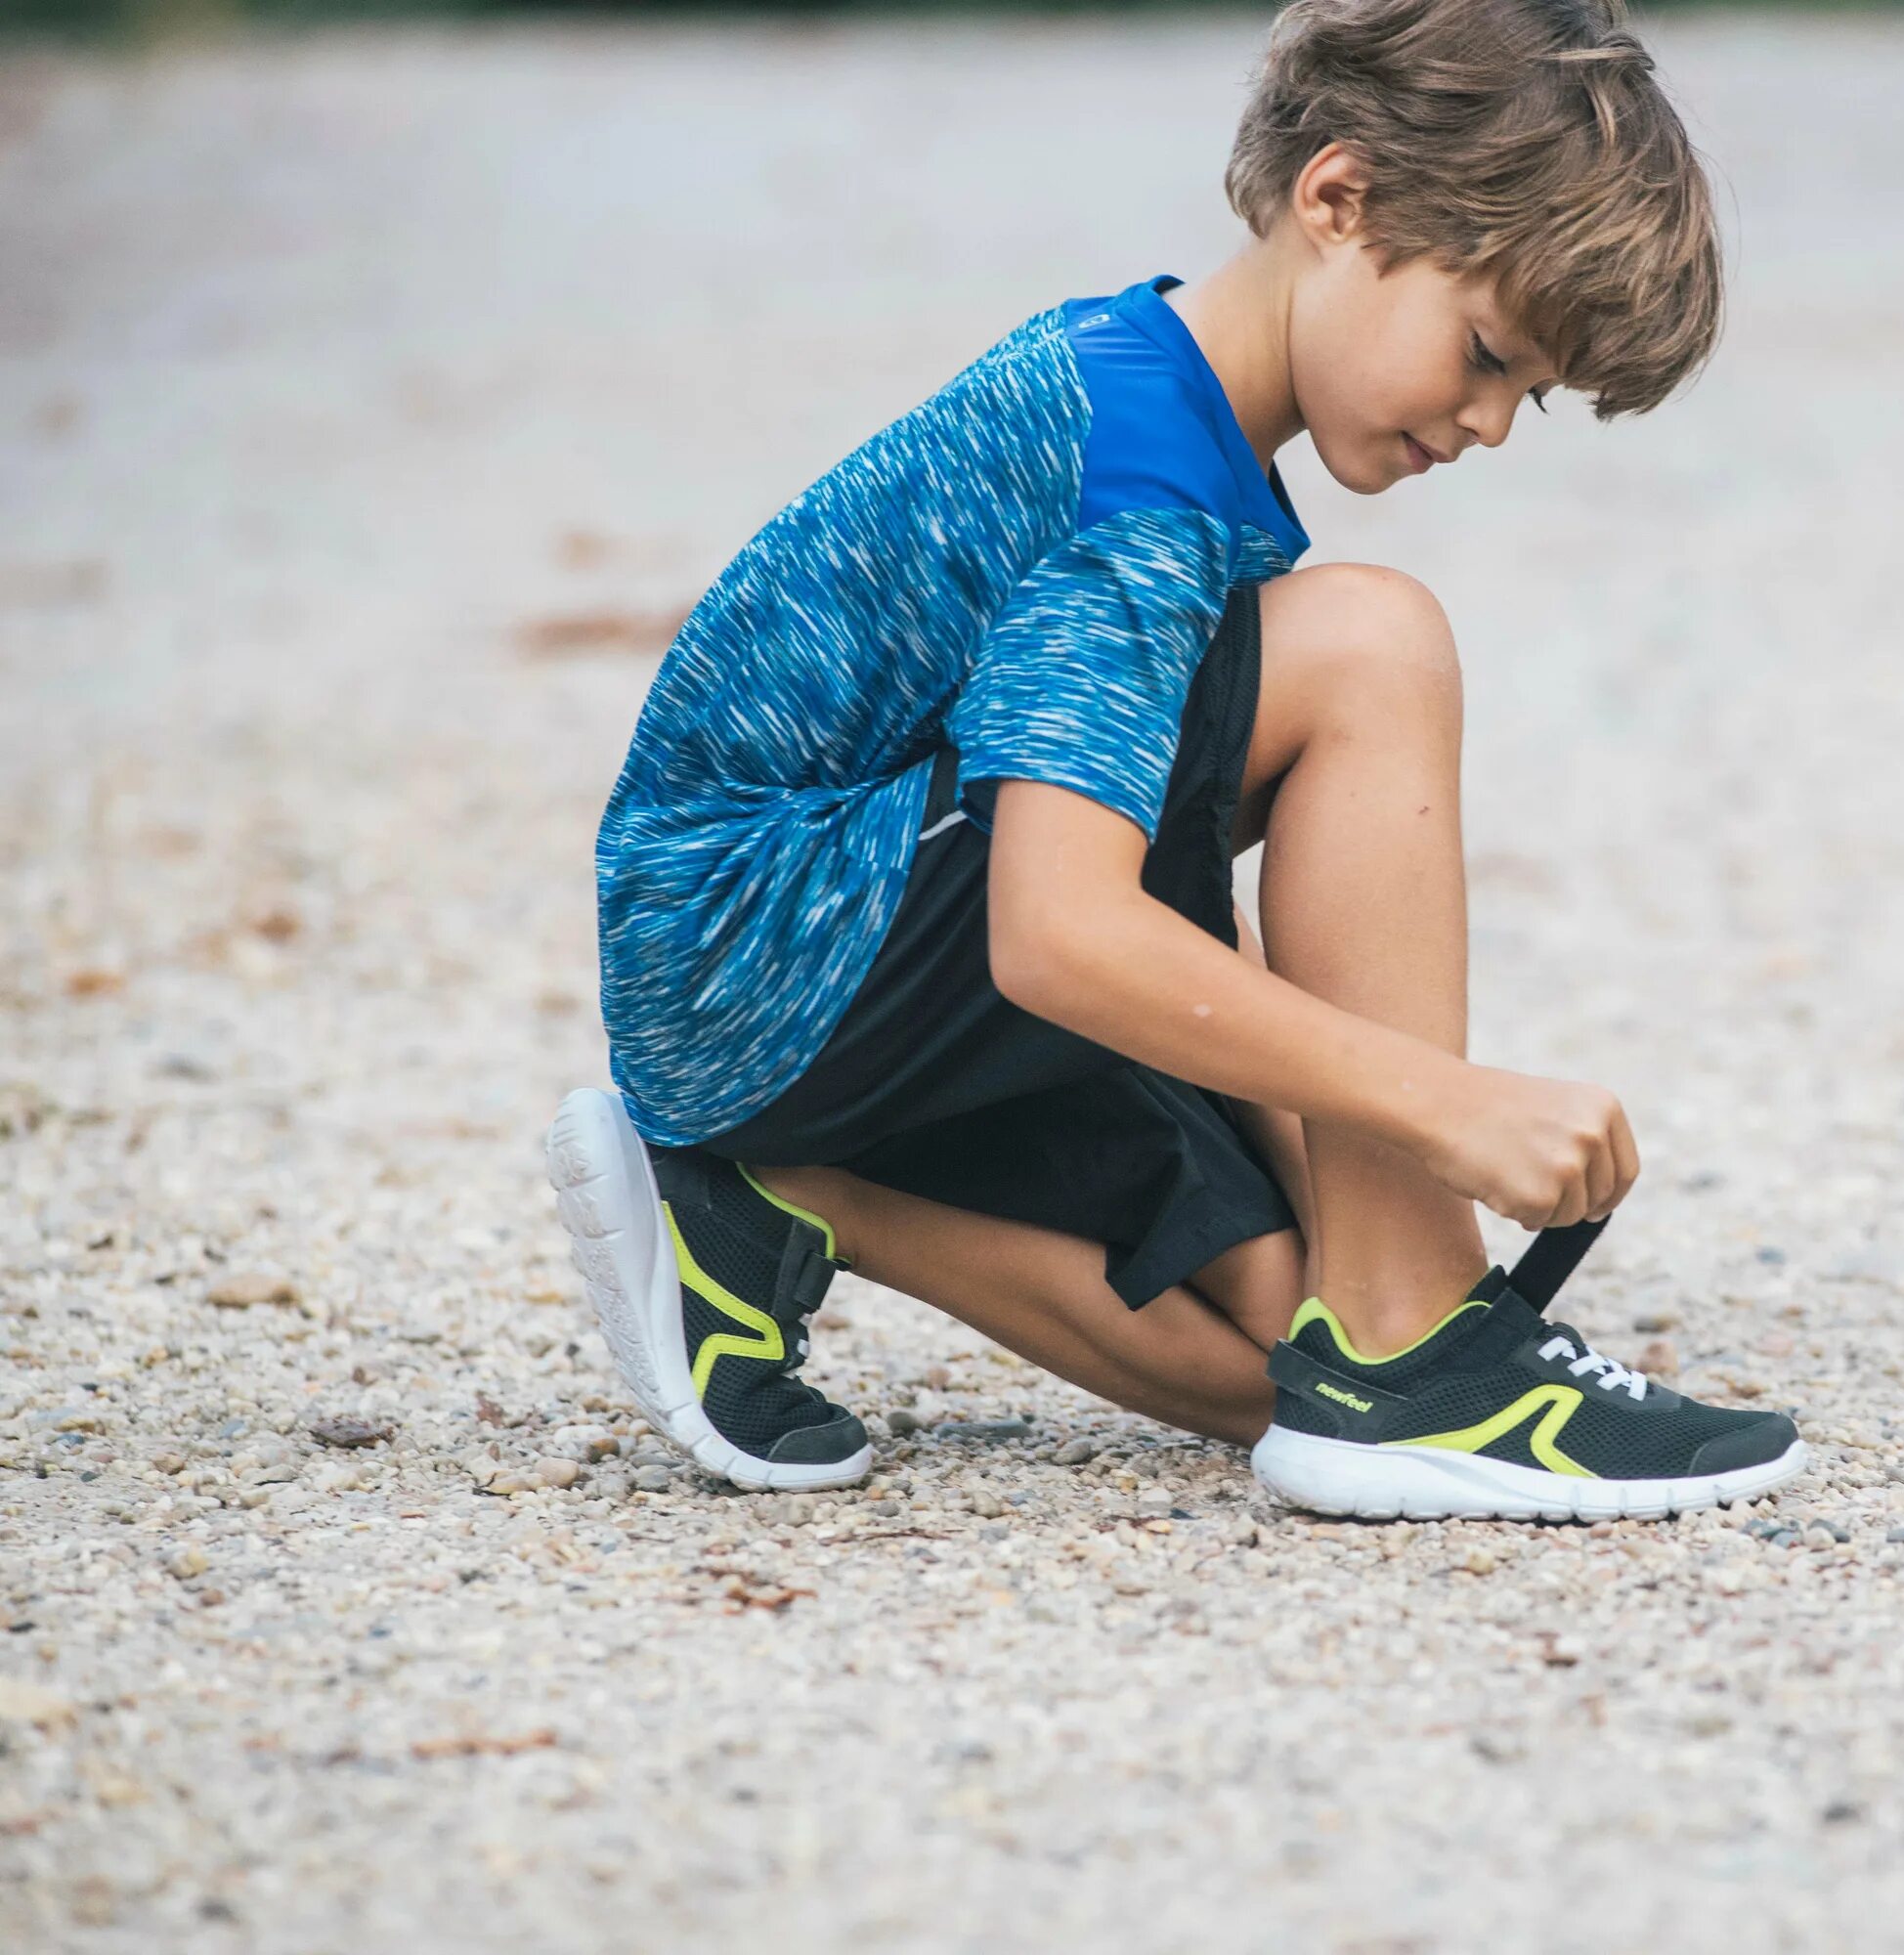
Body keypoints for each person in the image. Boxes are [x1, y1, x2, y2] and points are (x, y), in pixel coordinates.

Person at [543, 0, 1805, 1521]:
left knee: (1285, 1369)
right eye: (1484, 351)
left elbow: (1155, 876)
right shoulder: (1138, 477)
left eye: (1523, 391)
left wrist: (1368, 1196)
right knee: (1371, 643)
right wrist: (1442, 1106)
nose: (1488, 424)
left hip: (820, 984)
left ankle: (775, 1195)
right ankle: (1421, 1347)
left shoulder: (1171, 425)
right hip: (766, 939)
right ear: (1340, 201)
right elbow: (1061, 928)